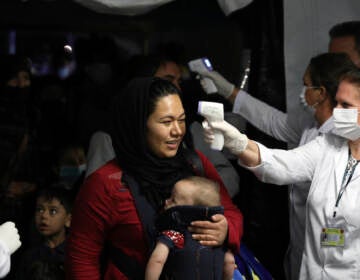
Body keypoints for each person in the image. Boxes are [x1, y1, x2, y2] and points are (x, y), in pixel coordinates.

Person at [198, 23, 360, 280]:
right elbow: (278, 164)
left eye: (346, 105)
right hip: (308, 263)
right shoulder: (326, 144)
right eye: (337, 102)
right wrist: (236, 141)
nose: (337, 112)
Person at [66, 77, 243, 279]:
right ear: (139, 124)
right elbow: (81, 261)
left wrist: (226, 229)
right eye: (166, 122)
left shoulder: (194, 164)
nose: (178, 131)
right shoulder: (105, 184)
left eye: (182, 119)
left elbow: (230, 211)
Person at [85, 54, 241, 198]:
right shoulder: (107, 139)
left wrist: (194, 198)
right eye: (167, 80)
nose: (177, 89)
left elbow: (228, 177)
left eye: (178, 81)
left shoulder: (191, 131)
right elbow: (95, 198)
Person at [145, 176, 235, 280]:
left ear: (187, 211)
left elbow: (157, 260)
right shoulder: (215, 240)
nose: (166, 201)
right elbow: (229, 262)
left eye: (173, 200)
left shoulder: (174, 235)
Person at [16, 186, 72, 280]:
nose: (44, 216)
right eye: (40, 210)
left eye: (53, 211)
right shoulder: (29, 256)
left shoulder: (73, 255)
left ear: (68, 220)